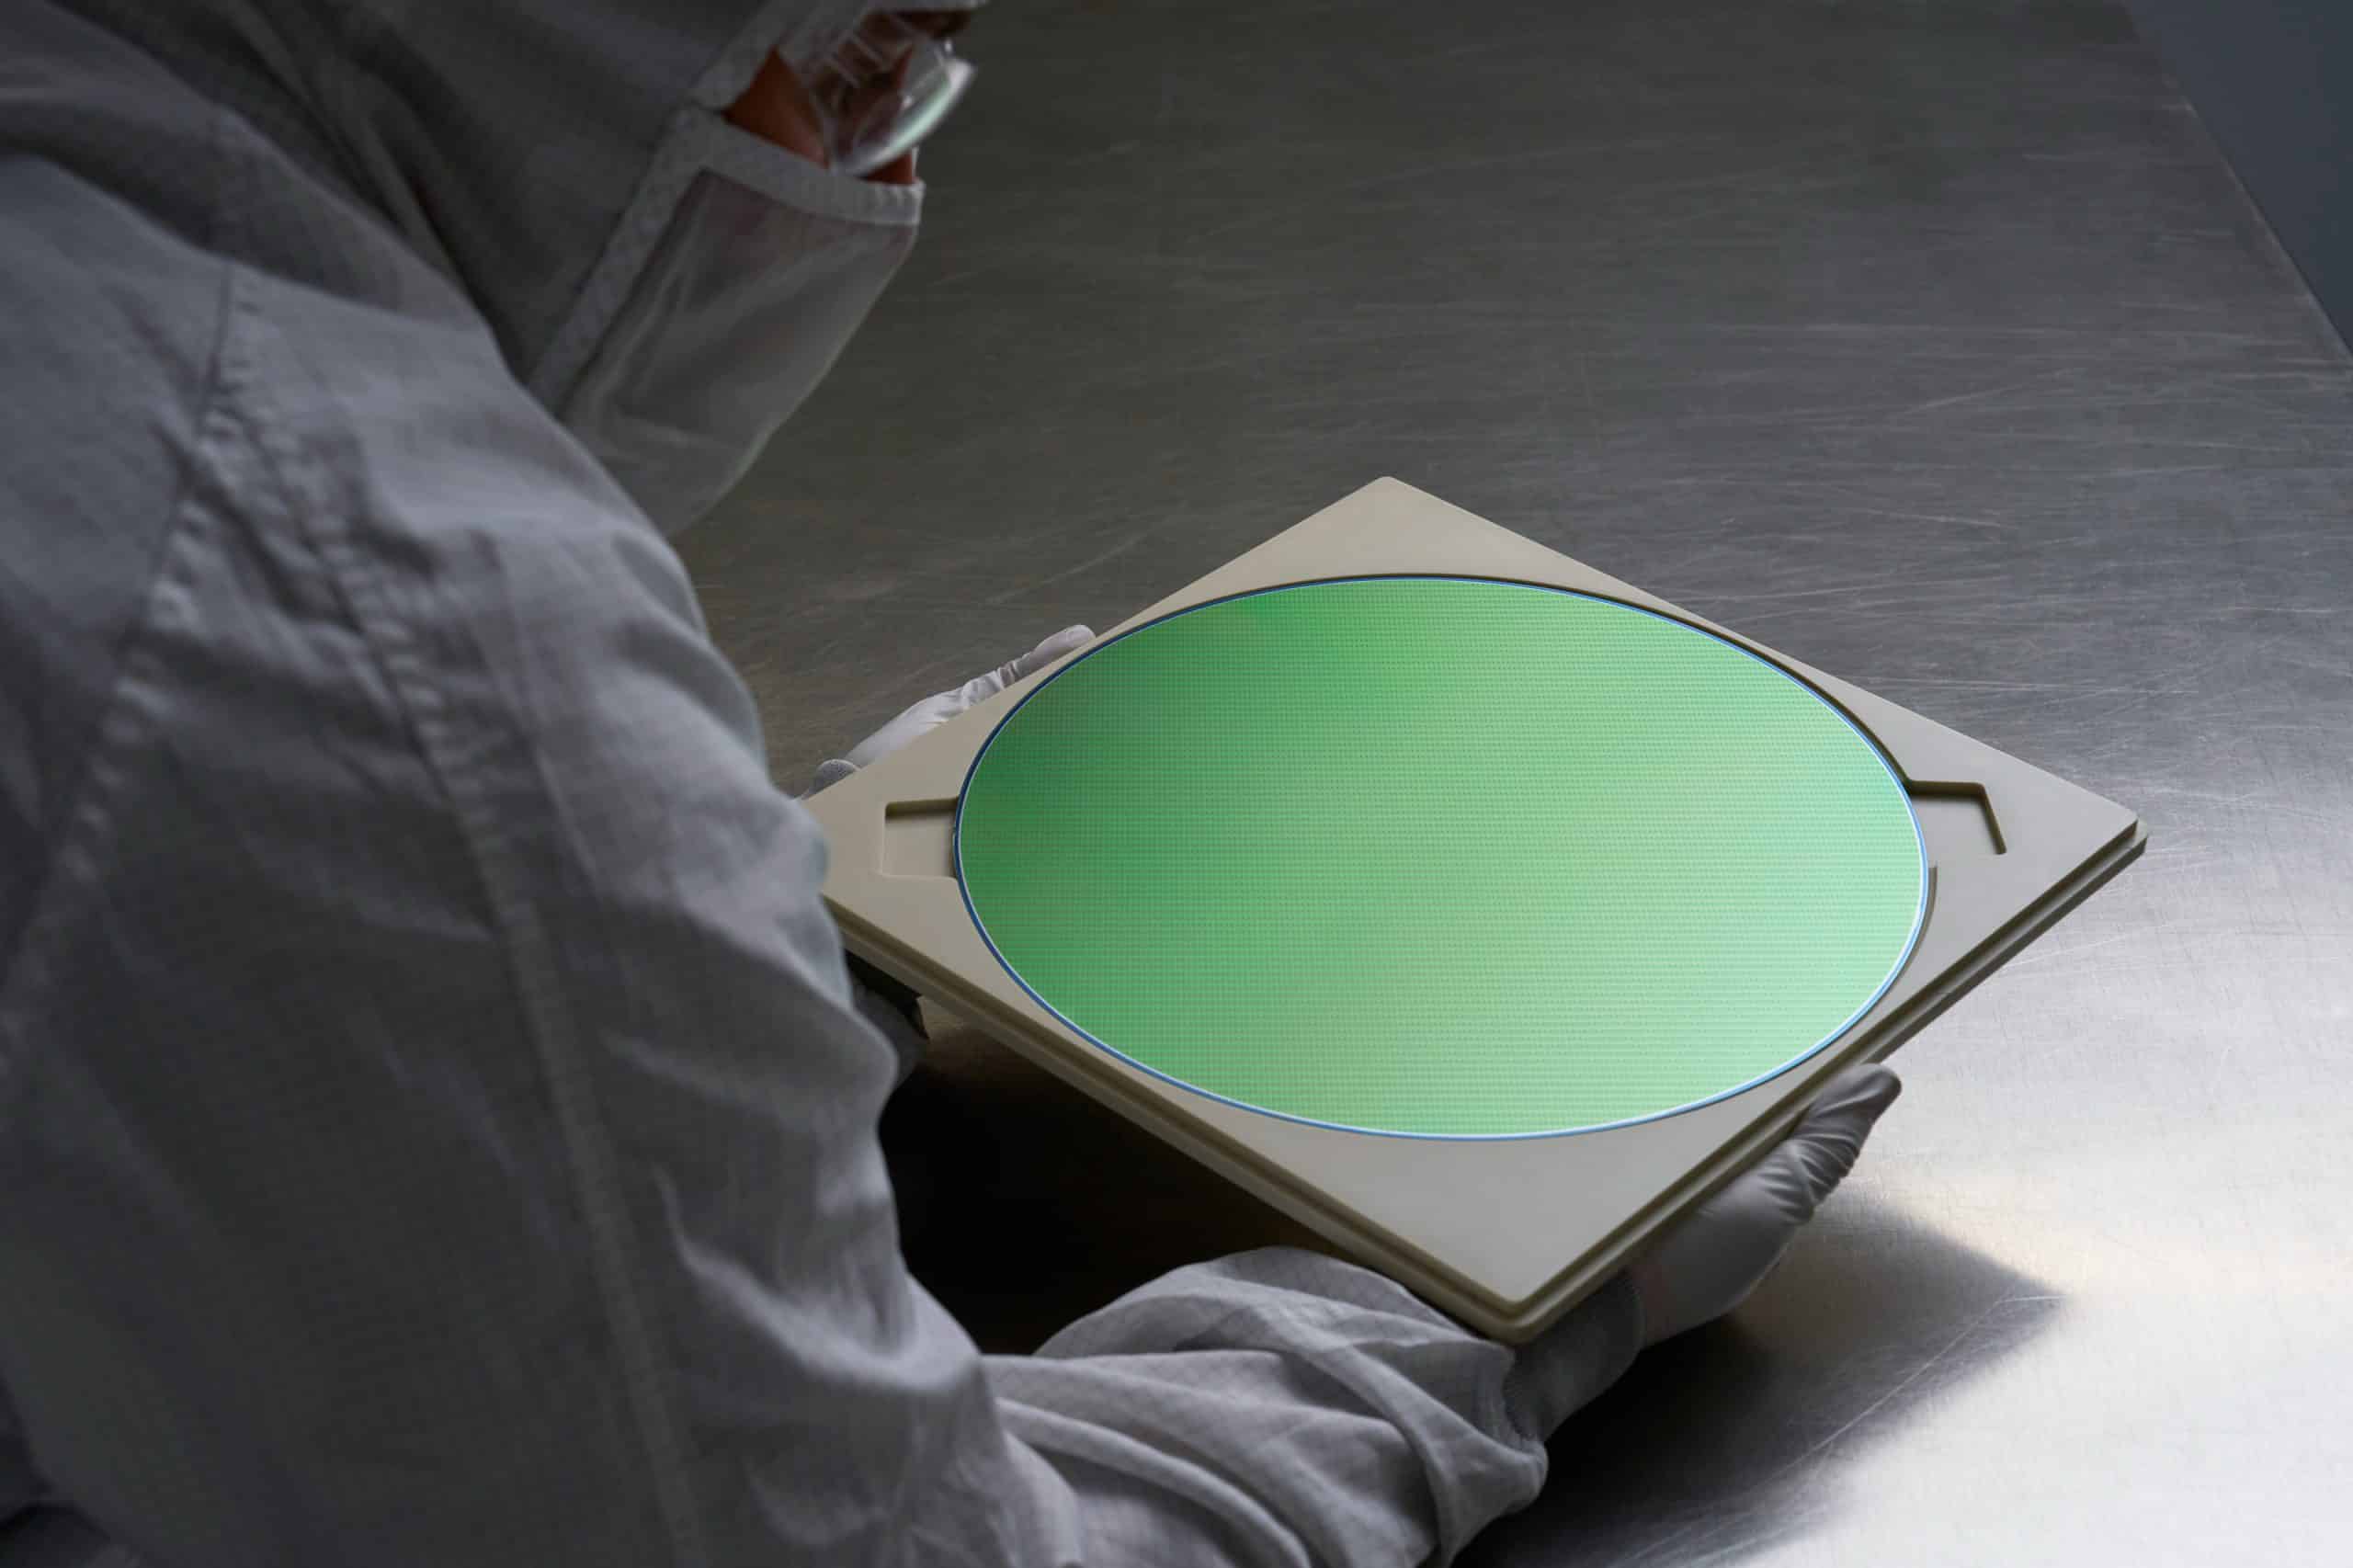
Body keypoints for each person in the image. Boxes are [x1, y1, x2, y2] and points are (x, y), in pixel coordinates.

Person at [0, 2, 1904, 1562]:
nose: (875, 170)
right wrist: (1439, 1320)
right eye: (849, 64)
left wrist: (782, 948)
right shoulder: (376, 619)